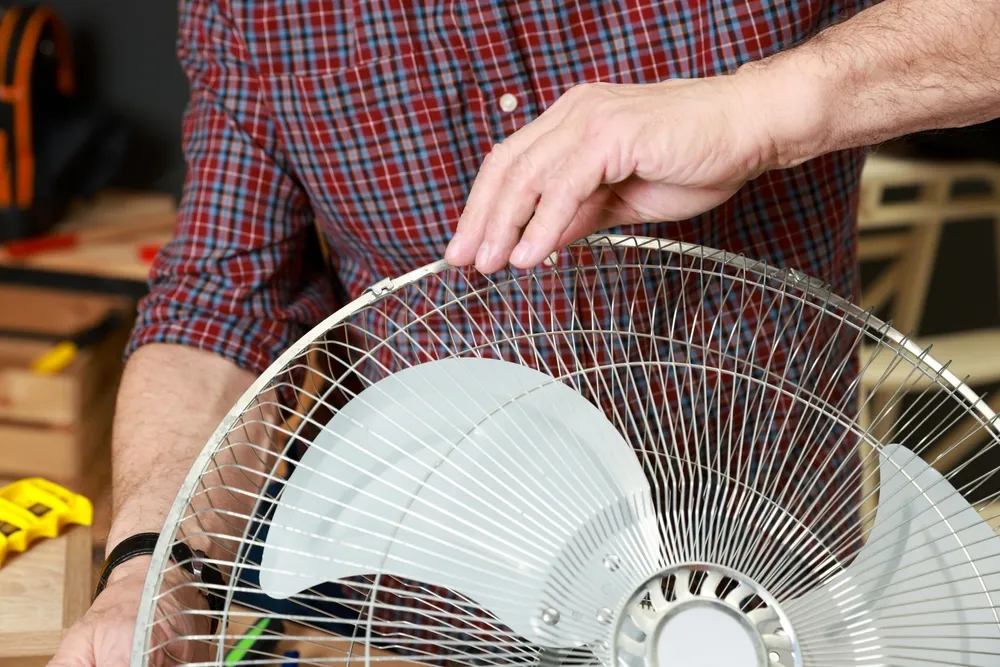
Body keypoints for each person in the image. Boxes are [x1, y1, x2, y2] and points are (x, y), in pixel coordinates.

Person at [49, 0, 1000, 665]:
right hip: (439, 627)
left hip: (778, 596)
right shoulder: (257, 13)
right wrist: (151, 568)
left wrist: (765, 106)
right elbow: (222, 300)